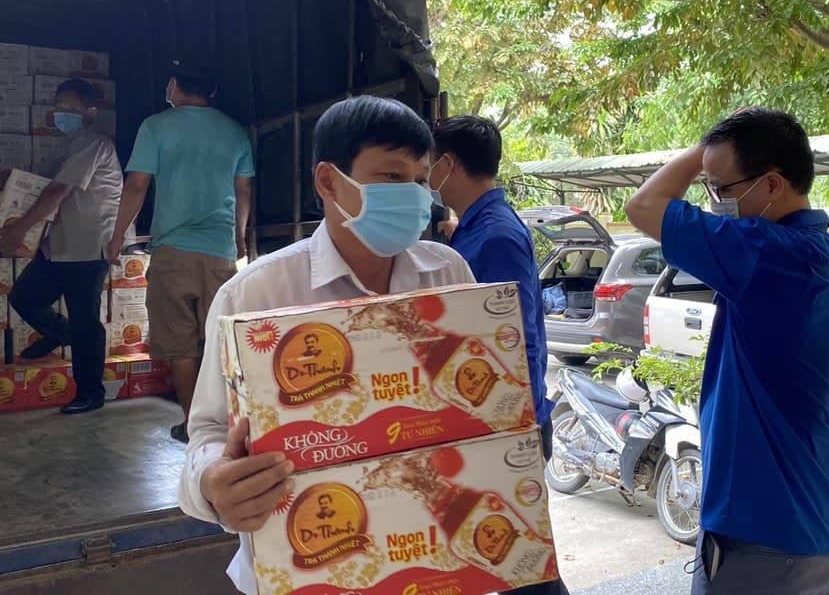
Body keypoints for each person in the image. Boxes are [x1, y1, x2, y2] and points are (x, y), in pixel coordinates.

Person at [179, 95, 475, 594]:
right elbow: (207, 430)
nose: (413, 196)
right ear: (328, 181)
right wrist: (213, 482)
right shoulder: (255, 294)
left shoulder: (448, 274)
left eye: (421, 180)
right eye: (392, 176)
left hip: (429, 562)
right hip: (308, 567)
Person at [624, 107, 829, 595]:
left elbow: (644, 206)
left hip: (757, 547)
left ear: (772, 185)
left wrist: (704, 147)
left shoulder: (761, 251)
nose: (716, 202)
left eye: (720, 188)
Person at [428, 116, 567, 595]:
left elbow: (514, 341)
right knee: (513, 563)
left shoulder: (495, 236)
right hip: (501, 422)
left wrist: (508, 428)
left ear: (447, 164)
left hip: (508, 426)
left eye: (427, 164)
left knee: (522, 568)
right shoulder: (477, 228)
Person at [107, 58, 253, 443]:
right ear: (213, 91)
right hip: (220, 251)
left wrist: (117, 235)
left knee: (180, 345)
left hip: (172, 252)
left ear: (173, 85)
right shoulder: (235, 131)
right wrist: (239, 238)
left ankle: (193, 425)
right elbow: (243, 190)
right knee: (219, 341)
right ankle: (229, 424)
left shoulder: (155, 126)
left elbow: (136, 185)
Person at [0, 79, 122, 415]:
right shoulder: (67, 146)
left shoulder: (94, 144)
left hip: (86, 247)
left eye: (70, 108)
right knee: (24, 297)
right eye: (58, 107)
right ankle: (60, 333)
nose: (61, 113)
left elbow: (57, 192)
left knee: (85, 320)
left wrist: (20, 228)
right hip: (58, 245)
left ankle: (91, 393)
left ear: (90, 112)